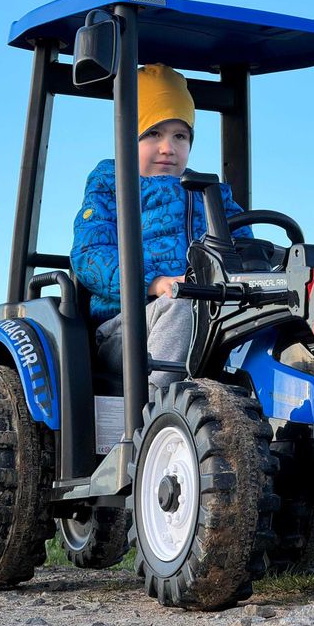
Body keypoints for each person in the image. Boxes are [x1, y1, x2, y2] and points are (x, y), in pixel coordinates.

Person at [70, 63, 251, 396]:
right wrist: (154, 283)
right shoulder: (111, 182)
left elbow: (245, 249)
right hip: (129, 325)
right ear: (128, 137)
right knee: (180, 304)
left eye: (180, 136)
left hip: (210, 318)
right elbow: (89, 254)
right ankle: (157, 409)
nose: (168, 147)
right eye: (153, 133)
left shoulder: (212, 192)